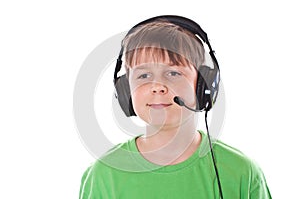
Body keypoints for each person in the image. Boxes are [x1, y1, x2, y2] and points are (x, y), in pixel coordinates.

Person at [79, 15, 271, 199]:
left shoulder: (241, 173)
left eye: (173, 73)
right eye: (143, 76)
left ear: (203, 86)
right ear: (125, 90)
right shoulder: (103, 175)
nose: (158, 87)